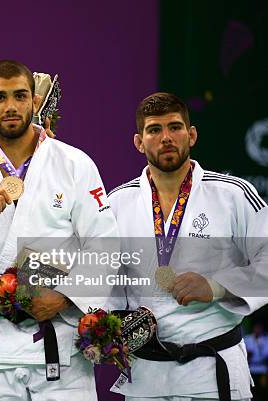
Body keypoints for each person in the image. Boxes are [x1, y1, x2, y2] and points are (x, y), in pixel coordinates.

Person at [0, 59, 119, 401]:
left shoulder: (74, 163)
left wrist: (62, 298)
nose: (11, 106)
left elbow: (105, 247)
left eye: (20, 96)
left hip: (60, 341)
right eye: (0, 97)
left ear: (34, 101)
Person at [107, 92, 268, 401]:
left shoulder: (233, 194)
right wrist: (105, 329)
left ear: (191, 135)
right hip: (146, 378)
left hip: (212, 369)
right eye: (154, 129)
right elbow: (105, 282)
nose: (166, 137)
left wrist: (217, 287)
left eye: (175, 127)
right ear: (139, 142)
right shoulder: (117, 203)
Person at [244, 322, 268, 400]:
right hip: (250, 368)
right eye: (256, 328)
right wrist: (248, 353)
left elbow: (266, 354)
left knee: (262, 388)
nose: (257, 330)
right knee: (251, 389)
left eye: (259, 328)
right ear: (253, 329)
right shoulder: (247, 338)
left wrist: (260, 347)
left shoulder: (265, 339)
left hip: (262, 369)